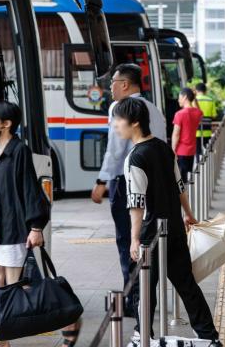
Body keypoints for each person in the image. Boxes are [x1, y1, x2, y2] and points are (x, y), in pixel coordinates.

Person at [112, 97, 222, 347]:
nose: (116, 125)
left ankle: (143, 335)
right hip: (173, 226)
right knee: (185, 283)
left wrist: (134, 239)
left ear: (135, 122)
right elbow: (179, 185)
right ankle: (208, 335)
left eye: (119, 120)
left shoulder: (135, 157)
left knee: (144, 287)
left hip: (152, 233)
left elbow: (137, 203)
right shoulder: (163, 147)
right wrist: (188, 213)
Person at [0, 101, 80, 347]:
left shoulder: (18, 151)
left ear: (6, 124)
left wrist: (36, 227)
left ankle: (67, 321)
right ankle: (0, 338)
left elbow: (29, 190)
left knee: (14, 287)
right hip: (1, 227)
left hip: (16, 228)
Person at [91, 63, 166, 316]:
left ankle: (134, 300)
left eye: (112, 81)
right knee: (148, 240)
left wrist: (102, 181)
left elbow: (115, 149)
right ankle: (146, 297)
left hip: (127, 182)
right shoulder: (154, 108)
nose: (109, 86)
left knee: (128, 241)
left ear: (124, 84)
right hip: (156, 182)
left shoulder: (118, 108)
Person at [171, 87, 203, 183]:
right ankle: (187, 195)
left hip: (181, 151)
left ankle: (184, 197)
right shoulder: (197, 113)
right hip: (191, 150)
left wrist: (173, 150)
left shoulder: (179, 114)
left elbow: (176, 134)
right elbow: (200, 110)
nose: (178, 100)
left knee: (180, 179)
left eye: (179, 97)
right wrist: (194, 99)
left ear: (185, 97)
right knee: (187, 176)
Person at [195, 82, 217, 159]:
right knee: (207, 148)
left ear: (196, 90)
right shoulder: (210, 100)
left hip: (196, 129)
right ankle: (207, 164)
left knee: (197, 150)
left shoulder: (194, 100)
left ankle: (198, 163)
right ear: (205, 91)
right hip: (207, 129)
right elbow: (214, 115)